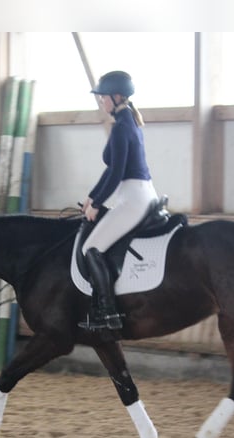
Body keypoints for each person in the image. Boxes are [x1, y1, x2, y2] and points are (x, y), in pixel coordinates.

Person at [79, 70, 159, 332]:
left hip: (133, 198)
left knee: (91, 249)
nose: (100, 102)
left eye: (103, 97)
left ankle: (107, 314)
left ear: (116, 97)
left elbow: (116, 173)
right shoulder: (129, 123)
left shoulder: (122, 127)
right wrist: (92, 197)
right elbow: (112, 169)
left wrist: (98, 205)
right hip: (137, 193)